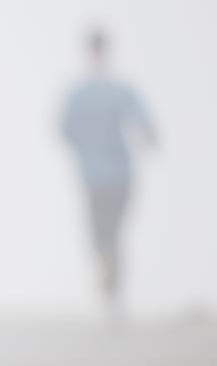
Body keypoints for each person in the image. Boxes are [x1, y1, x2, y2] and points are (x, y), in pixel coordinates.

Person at [59, 27, 158, 314]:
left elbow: (64, 130)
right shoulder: (107, 91)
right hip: (109, 175)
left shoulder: (89, 93)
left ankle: (110, 287)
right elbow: (146, 125)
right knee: (109, 235)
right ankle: (111, 290)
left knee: (105, 235)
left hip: (104, 176)